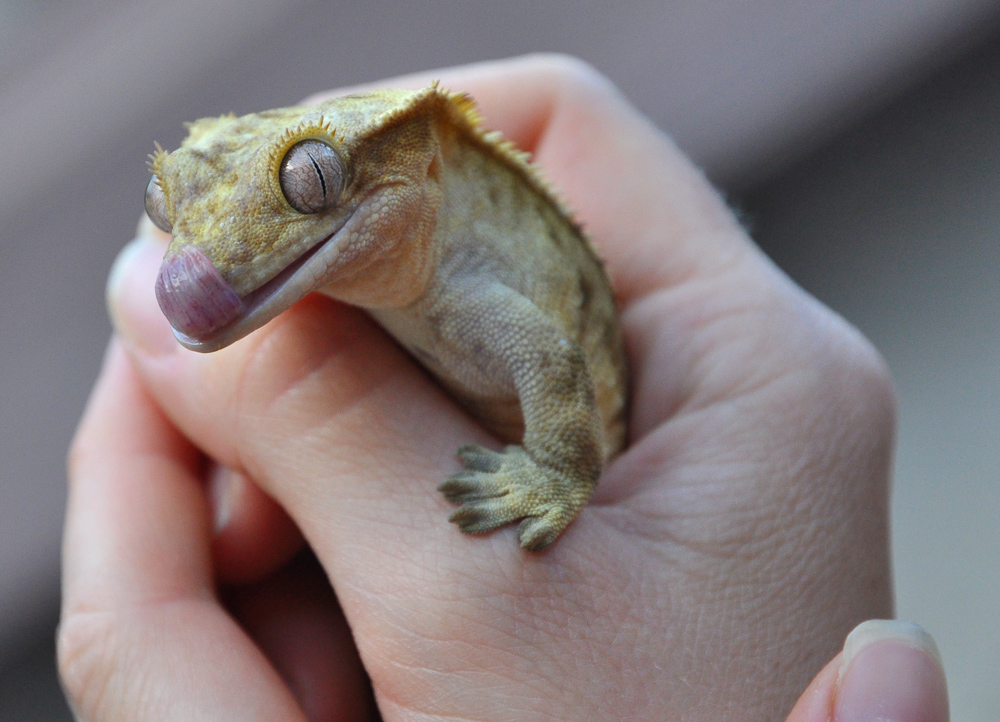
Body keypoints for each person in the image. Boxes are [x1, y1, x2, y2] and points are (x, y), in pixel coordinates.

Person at [60, 55, 949, 721]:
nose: (198, 260)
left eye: (312, 181)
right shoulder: (373, 276)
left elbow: (553, 366)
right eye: (169, 201)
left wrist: (558, 473)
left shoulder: (469, 295)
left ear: (405, 165)